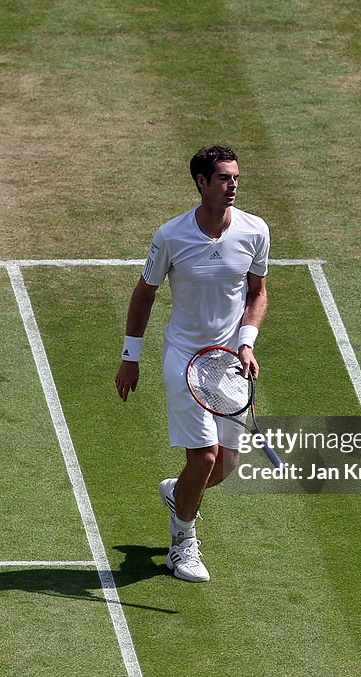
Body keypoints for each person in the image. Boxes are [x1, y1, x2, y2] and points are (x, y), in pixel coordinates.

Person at [114, 146, 270, 582]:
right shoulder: (171, 235)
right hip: (183, 358)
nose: (233, 184)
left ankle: (177, 494)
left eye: (235, 177)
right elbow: (144, 293)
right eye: (223, 178)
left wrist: (247, 343)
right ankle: (181, 544)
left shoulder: (255, 231)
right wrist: (131, 358)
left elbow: (256, 293)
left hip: (227, 362)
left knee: (224, 468)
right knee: (202, 459)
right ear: (201, 182)